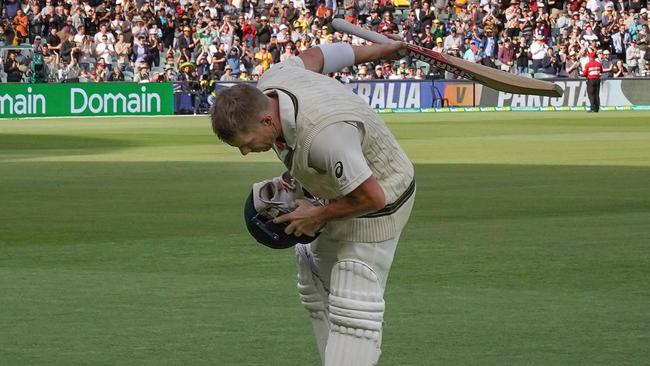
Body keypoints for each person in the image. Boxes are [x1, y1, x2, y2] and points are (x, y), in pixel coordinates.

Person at [210, 39, 415, 366]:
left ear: (266, 121)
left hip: (384, 198)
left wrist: (317, 214)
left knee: (353, 301)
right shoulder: (274, 80)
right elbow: (318, 56)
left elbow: (372, 197)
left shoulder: (325, 136)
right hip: (340, 188)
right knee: (312, 280)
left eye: (247, 143)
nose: (246, 152)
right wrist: (382, 50)